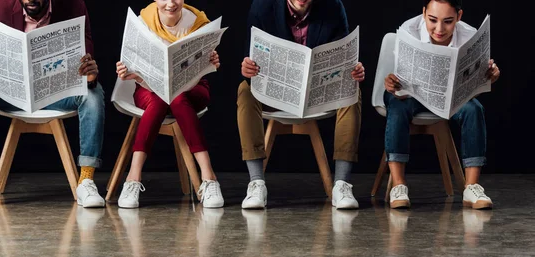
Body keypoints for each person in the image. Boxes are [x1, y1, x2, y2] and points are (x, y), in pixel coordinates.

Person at [0, 0, 106, 208]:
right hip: (12, 94)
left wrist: (91, 74)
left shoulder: (74, 6)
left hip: (57, 93)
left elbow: (86, 61)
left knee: (94, 96)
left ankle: (86, 179)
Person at [237, 0, 366, 209]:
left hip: (318, 94)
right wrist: (247, 68)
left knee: (353, 92)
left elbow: (346, 56)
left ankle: (342, 184)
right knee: (244, 91)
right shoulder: (262, 6)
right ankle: (256, 183)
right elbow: (250, 58)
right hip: (277, 93)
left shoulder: (333, 6)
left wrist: (355, 70)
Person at [384, 0, 500, 209]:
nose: (439, 29)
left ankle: (472, 186)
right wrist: (391, 83)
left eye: (448, 21)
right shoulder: (408, 31)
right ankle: (398, 185)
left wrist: (491, 75)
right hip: (410, 97)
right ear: (423, 13)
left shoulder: (470, 35)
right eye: (432, 20)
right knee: (396, 106)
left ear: (459, 16)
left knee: (474, 109)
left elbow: (481, 75)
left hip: (450, 99)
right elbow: (396, 81)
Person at [115, 0, 223, 208]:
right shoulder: (142, 22)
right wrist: (126, 71)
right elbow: (132, 66)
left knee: (178, 97)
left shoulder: (199, 22)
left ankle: (209, 180)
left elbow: (206, 63)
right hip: (148, 88)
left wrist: (212, 60)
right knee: (164, 100)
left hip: (194, 87)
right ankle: (133, 179)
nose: (171, 4)